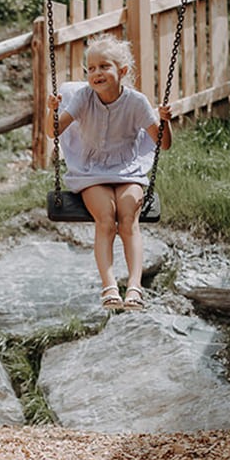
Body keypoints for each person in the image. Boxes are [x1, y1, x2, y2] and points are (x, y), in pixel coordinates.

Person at [46, 34, 172, 310]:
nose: (96, 73)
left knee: (128, 218)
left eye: (104, 66)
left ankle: (135, 289)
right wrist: (52, 112)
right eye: (91, 68)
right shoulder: (83, 97)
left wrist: (165, 122)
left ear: (122, 71)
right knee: (106, 219)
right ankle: (110, 287)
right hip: (92, 171)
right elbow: (53, 131)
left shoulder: (136, 102)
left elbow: (163, 142)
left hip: (127, 170)